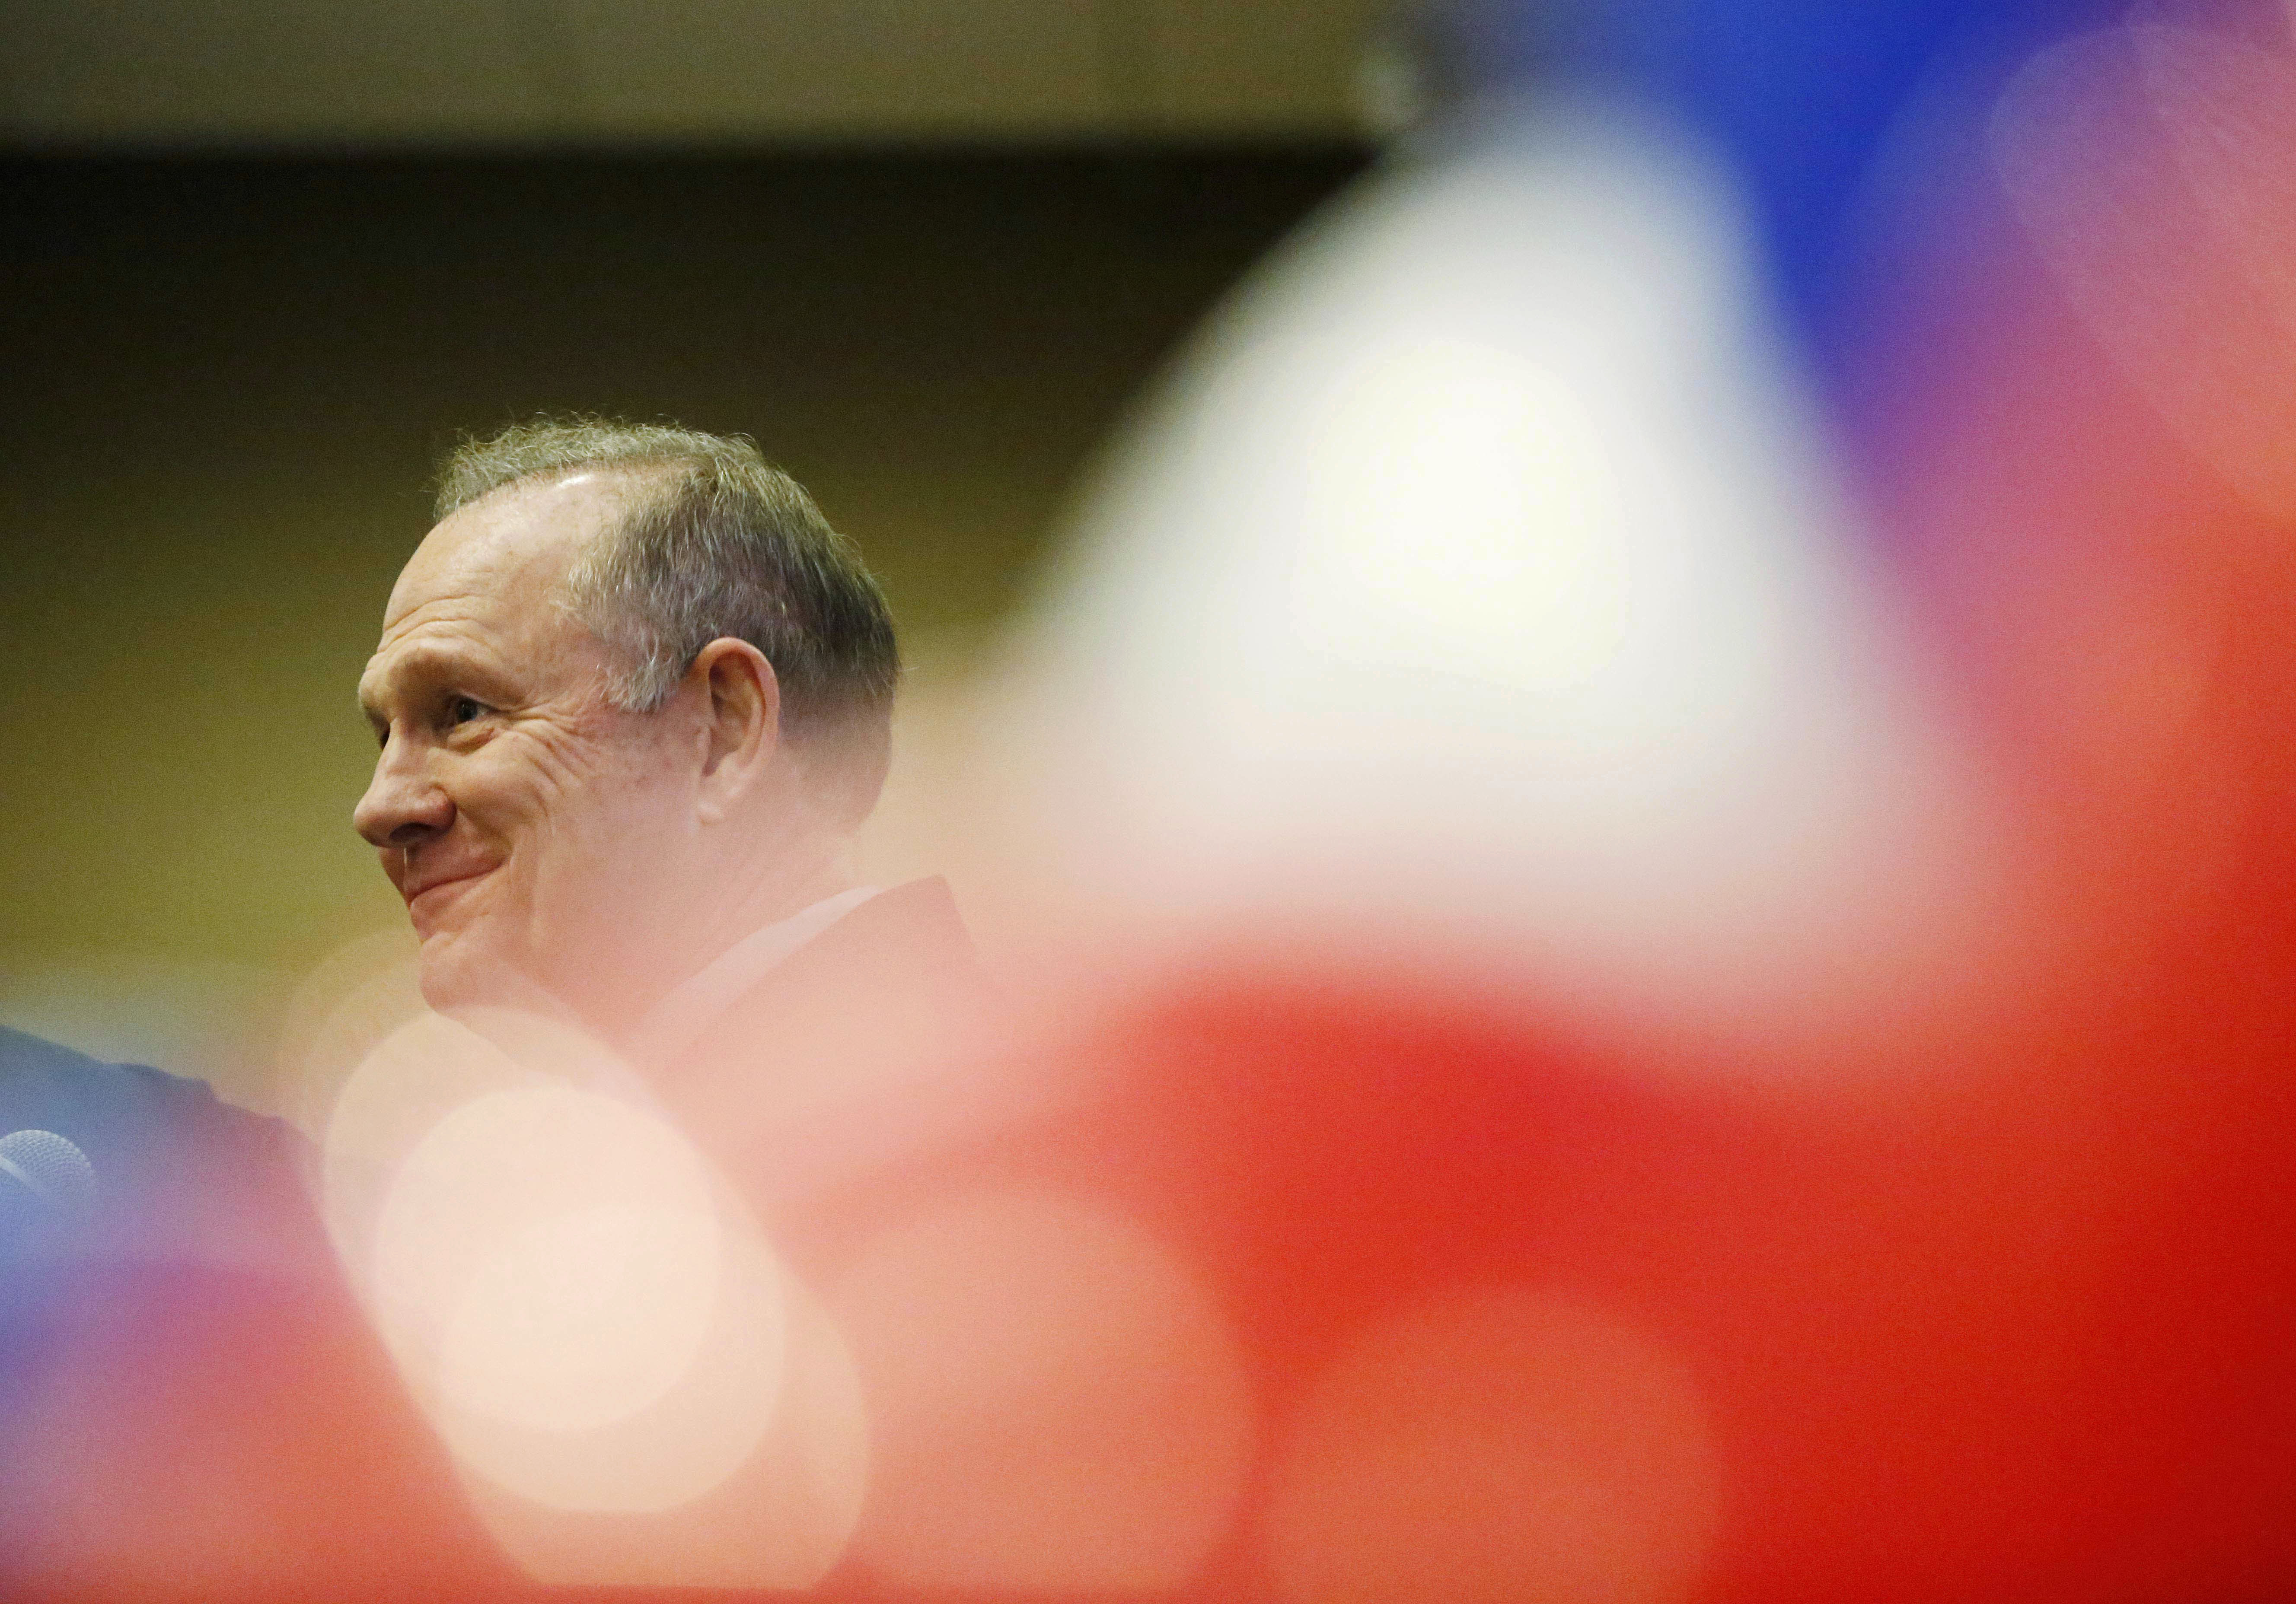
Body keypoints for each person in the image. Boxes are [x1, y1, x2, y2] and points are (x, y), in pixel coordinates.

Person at [352, 418, 955, 1064]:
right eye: (386, 735)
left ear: (723, 730)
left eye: (465, 711)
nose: (378, 811)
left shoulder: (938, 1116)